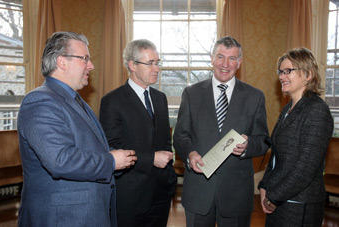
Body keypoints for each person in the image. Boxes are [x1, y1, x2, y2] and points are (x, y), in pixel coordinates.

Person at [17, 31, 137, 227]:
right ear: (62, 62)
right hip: (62, 218)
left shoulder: (77, 100)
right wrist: (110, 161)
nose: (91, 66)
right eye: (85, 59)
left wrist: (115, 159)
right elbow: (59, 160)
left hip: (86, 214)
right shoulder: (40, 101)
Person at [173, 36, 270, 227]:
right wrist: (190, 153)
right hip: (198, 192)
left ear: (239, 62)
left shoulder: (255, 97)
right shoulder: (191, 94)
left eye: (232, 58)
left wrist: (247, 146)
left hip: (236, 195)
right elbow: (180, 135)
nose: (225, 64)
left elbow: (263, 140)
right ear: (212, 59)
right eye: (220, 57)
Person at [99, 39, 177, 227]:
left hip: (161, 191)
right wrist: (151, 159)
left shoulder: (160, 99)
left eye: (157, 62)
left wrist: (168, 169)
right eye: (149, 63)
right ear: (132, 65)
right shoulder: (112, 101)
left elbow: (165, 140)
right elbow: (113, 147)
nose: (156, 68)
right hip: (131, 195)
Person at [258, 48, 334, 226]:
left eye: (288, 71)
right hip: (279, 199)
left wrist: (273, 197)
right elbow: (276, 155)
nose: (282, 76)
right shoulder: (287, 109)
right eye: (280, 72)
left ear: (308, 74)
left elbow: (305, 168)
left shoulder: (317, 110)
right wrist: (264, 186)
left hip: (299, 205)